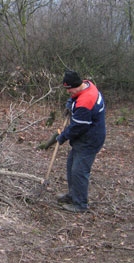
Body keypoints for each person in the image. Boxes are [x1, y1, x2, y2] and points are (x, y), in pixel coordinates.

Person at [56, 70, 106, 213]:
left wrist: (62, 137)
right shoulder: (87, 85)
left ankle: (80, 204)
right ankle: (72, 195)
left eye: (69, 89)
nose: (68, 92)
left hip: (89, 139)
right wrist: (69, 105)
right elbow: (74, 98)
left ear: (77, 85)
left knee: (79, 171)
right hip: (83, 137)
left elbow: (77, 127)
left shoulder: (85, 101)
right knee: (71, 166)